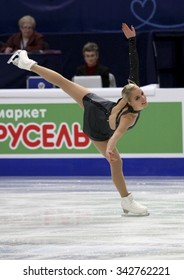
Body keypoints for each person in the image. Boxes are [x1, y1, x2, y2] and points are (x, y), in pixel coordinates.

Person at [7, 23, 149, 216]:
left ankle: (29, 64)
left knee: (64, 83)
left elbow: (134, 65)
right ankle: (127, 202)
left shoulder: (130, 92)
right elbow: (117, 134)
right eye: (139, 97)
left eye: (142, 94)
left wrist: (132, 41)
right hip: (97, 126)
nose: (143, 98)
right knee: (116, 162)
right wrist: (109, 149)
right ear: (128, 100)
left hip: (96, 105)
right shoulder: (130, 116)